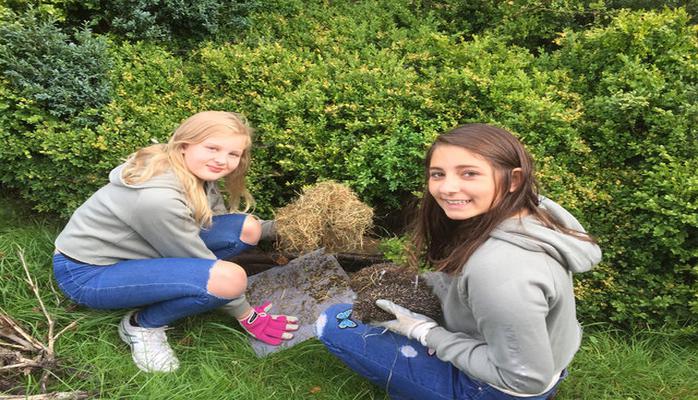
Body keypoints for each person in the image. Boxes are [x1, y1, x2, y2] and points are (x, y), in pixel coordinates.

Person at [316, 124, 601, 399]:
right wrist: (422, 285)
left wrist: (424, 332)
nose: (447, 188)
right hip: (542, 360)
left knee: (334, 321)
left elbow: (524, 379)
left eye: (469, 173)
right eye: (437, 174)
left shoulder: (500, 271)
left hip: (501, 389)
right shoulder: (530, 212)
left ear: (514, 180)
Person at [53, 111, 298, 373]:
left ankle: (174, 287)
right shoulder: (159, 199)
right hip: (89, 273)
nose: (222, 160)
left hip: (139, 254)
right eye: (212, 148)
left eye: (233, 154)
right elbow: (199, 259)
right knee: (229, 280)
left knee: (248, 228)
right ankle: (141, 325)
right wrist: (247, 314)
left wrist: (288, 227)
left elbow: (216, 222)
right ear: (184, 145)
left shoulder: (194, 171)